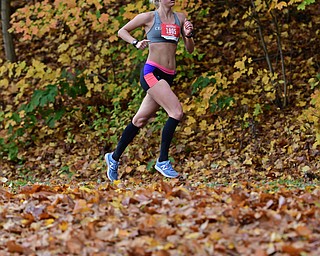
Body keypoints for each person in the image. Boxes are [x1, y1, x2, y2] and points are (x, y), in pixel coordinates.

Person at [105, 0, 195, 181]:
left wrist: (189, 34)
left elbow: (190, 50)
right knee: (176, 112)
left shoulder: (181, 17)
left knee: (139, 120)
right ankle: (162, 160)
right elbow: (121, 31)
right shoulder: (148, 17)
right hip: (152, 72)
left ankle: (113, 158)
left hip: (168, 75)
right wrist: (135, 42)